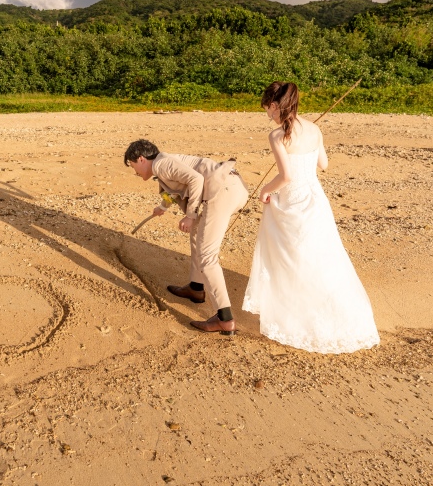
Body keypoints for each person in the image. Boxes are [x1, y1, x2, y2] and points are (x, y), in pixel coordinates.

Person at [242, 82, 380, 353]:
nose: (267, 115)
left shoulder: (277, 135)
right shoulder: (314, 129)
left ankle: (294, 309)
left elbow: (286, 177)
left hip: (290, 200)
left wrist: (265, 191)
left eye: (267, 109)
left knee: (290, 255)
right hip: (314, 200)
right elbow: (323, 165)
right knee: (321, 255)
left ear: (274, 106)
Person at [124, 139, 248, 335]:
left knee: (207, 257)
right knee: (197, 235)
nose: (136, 173)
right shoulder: (163, 163)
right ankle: (196, 288)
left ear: (140, 159)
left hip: (221, 192)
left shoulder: (161, 164)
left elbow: (195, 180)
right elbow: (176, 187)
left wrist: (190, 215)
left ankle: (225, 318)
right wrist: (162, 207)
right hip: (232, 188)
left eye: (134, 167)